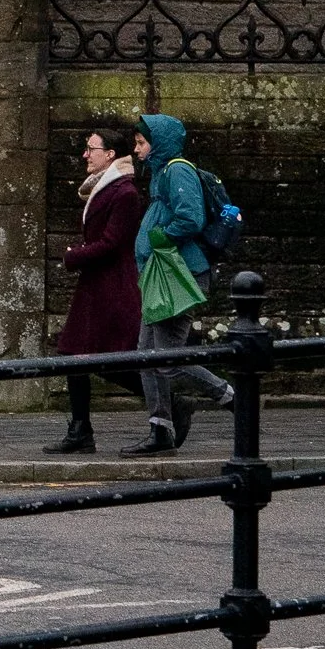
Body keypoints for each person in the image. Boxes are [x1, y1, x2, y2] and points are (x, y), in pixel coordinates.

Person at [125, 110, 233, 456]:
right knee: (147, 355)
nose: (137, 149)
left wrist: (161, 235)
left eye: (142, 143)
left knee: (167, 357)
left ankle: (229, 396)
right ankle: (160, 429)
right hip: (162, 275)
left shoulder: (177, 170)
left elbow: (191, 217)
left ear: (159, 143)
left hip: (180, 275)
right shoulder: (160, 175)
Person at [44, 120, 144, 455]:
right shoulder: (104, 187)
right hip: (96, 285)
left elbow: (113, 243)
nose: (86, 154)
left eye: (92, 148)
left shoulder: (125, 192)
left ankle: (170, 402)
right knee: (75, 354)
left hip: (112, 286)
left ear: (111, 154)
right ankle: (80, 429)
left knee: (106, 359)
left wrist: (75, 256)